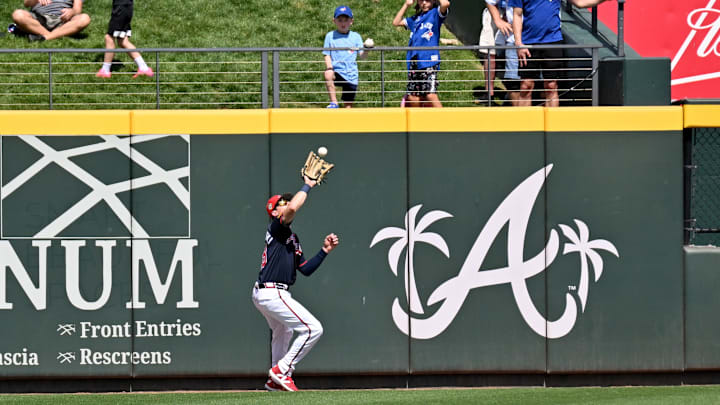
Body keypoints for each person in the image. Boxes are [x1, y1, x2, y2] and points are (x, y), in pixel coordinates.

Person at [252, 176, 339, 392]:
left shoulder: (290, 237)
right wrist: (308, 184)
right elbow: (293, 208)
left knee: (284, 331)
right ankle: (282, 370)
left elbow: (305, 269)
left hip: (267, 292)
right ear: (274, 212)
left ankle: (275, 380)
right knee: (313, 329)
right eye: (282, 203)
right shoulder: (277, 228)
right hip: (272, 292)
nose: (287, 205)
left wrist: (324, 251)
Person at [510, 0, 613, 106]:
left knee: (551, 86)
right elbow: (517, 15)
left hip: (553, 42)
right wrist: (519, 43)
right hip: (528, 44)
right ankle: (525, 121)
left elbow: (580, 3)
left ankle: (552, 121)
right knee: (526, 86)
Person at [392, 0, 451, 108]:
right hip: (415, 61)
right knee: (413, 97)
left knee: (430, 94)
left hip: (429, 60)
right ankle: (418, 122)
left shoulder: (435, 14)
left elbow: (445, 4)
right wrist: (406, 4)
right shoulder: (415, 18)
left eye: (427, 0)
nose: (424, 3)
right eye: (421, 0)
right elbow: (396, 22)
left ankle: (445, 121)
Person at [323, 5, 368, 108]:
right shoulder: (330, 36)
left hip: (351, 75)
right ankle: (334, 103)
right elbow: (326, 54)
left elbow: (362, 56)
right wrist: (330, 68)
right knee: (328, 74)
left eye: (346, 20)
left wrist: (366, 49)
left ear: (351, 21)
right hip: (337, 72)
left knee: (348, 107)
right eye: (340, 20)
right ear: (334, 21)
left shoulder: (356, 37)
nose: (343, 23)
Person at [96, 0, 153, 79]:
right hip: (125, 7)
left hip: (121, 8)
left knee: (109, 38)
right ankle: (144, 68)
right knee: (123, 41)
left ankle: (105, 70)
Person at [478, 0, 512, 98]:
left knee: (514, 53)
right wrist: (498, 20)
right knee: (490, 53)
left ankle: (513, 94)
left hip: (517, 13)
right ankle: (489, 93)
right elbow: (490, 1)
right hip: (496, 11)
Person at [11, 0, 90, 42]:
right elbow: (26, 3)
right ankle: (51, 35)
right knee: (18, 14)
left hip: (62, 20)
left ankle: (45, 37)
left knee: (84, 18)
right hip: (39, 19)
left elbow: (77, 9)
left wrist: (72, 11)